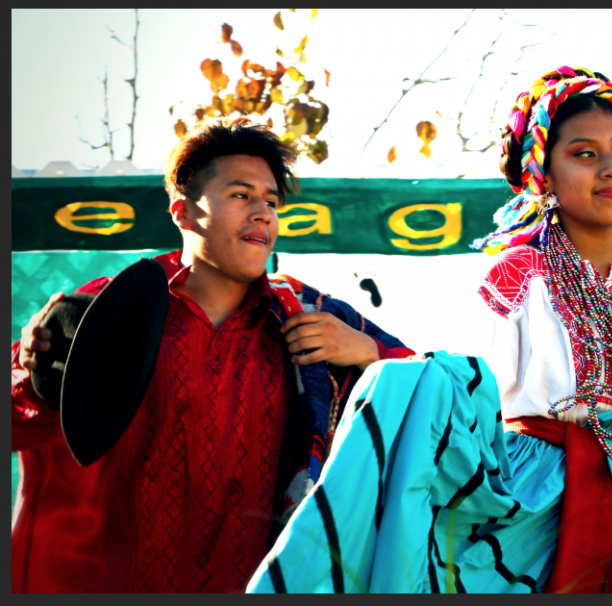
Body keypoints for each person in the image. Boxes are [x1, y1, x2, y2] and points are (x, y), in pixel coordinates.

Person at [245, 67, 612, 594]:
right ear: (544, 174)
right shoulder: (514, 276)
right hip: (526, 499)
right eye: (585, 154)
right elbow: (463, 402)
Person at [11, 117, 414, 593]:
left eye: (271, 201)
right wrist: (32, 370)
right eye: (241, 195)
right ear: (183, 211)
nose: (263, 213)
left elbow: (438, 402)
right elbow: (19, 423)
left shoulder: (314, 318)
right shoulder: (109, 308)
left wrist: (369, 356)